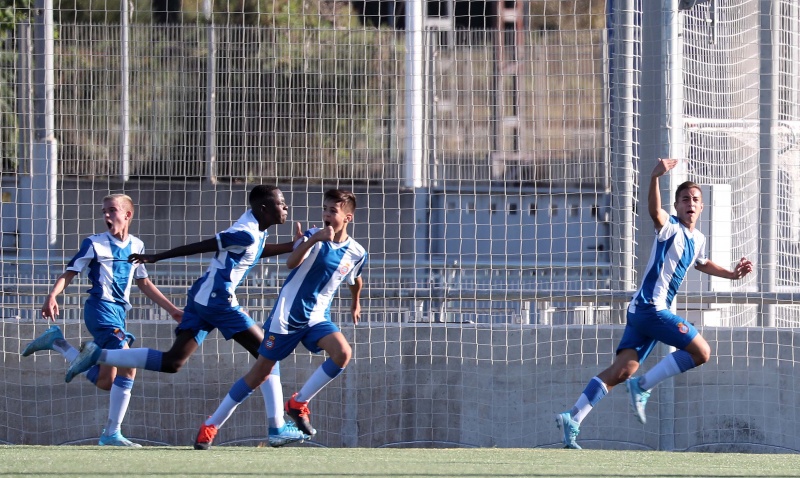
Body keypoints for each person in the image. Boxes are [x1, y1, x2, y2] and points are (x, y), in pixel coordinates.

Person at [65, 185, 309, 447]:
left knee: (173, 362)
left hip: (200, 300)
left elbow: (256, 249)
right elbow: (203, 245)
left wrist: (291, 246)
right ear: (264, 208)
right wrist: (157, 257)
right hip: (218, 301)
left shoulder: (255, 229)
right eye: (281, 203)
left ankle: (98, 355)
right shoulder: (245, 231)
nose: (286, 207)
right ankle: (276, 427)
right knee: (268, 354)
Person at [555, 158, 754, 449]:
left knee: (622, 370)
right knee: (701, 352)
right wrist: (654, 178)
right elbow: (654, 212)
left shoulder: (698, 239)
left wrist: (732, 275)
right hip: (651, 308)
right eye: (684, 199)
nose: (690, 203)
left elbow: (702, 263)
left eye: (695, 199)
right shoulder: (670, 227)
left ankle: (573, 417)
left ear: (701, 207)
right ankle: (643, 386)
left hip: (641, 311)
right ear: (676, 206)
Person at [191, 188, 367, 450]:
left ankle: (298, 402)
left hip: (317, 317)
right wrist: (312, 239)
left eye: (333, 211)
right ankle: (211, 425)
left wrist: (355, 302)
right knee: (260, 373)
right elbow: (292, 262)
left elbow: (355, 279)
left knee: (343, 352)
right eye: (325, 209)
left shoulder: (356, 252)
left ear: (347, 218)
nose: (327, 214)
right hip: (286, 317)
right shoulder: (313, 236)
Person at [21, 193, 183, 447]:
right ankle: (111, 434)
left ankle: (57, 343)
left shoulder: (137, 246)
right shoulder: (94, 243)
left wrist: (172, 310)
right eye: (104, 211)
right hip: (100, 310)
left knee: (107, 381)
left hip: (119, 314)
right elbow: (69, 272)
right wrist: (52, 295)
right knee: (129, 363)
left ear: (127, 215)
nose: (106, 215)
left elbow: (143, 282)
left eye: (112, 210)